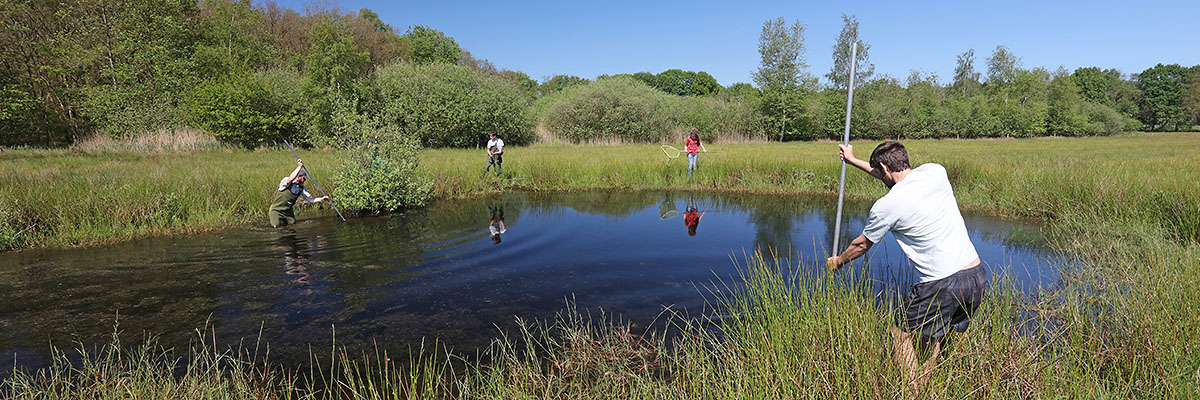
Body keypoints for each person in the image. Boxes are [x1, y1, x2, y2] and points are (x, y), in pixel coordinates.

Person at [826, 141, 987, 391]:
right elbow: (890, 177)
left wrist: (838, 262)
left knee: (900, 334)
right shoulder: (935, 172)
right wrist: (851, 159)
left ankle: (912, 392)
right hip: (975, 275)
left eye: (879, 171)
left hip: (941, 283)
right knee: (933, 334)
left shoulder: (887, 206)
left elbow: (861, 245)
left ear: (884, 167)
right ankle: (926, 384)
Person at [269, 159, 329, 228]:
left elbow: (310, 199)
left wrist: (322, 199)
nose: (304, 180)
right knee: (276, 226)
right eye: (303, 178)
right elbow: (290, 179)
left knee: (293, 225)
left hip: (288, 212)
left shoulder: (302, 188)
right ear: (298, 177)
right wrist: (300, 166)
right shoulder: (286, 181)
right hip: (276, 210)